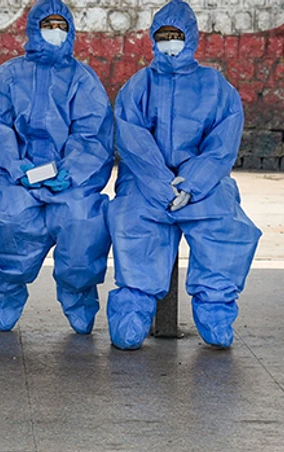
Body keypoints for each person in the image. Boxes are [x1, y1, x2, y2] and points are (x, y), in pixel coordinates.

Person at [107, 0, 261, 350]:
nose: (170, 43)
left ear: (192, 38)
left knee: (226, 225)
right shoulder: (138, 86)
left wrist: (192, 183)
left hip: (205, 184)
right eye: (163, 36)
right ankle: (133, 308)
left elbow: (221, 145)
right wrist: (163, 184)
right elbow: (132, 140)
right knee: (132, 221)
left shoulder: (215, 86)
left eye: (176, 36)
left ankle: (216, 309)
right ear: (152, 38)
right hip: (145, 182)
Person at [0, 0, 114, 334]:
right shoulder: (8, 75)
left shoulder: (82, 80)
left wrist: (72, 171)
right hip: (15, 178)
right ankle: (5, 291)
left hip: (70, 182)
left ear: (71, 30)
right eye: (47, 26)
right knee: (15, 221)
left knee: (83, 222)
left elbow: (93, 134)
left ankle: (77, 294)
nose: (54, 33)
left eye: (60, 26)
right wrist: (14, 163)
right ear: (32, 28)